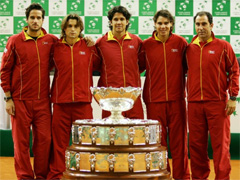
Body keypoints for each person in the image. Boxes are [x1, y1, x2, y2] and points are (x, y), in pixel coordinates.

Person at [0, 3, 57, 180]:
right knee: (21, 144)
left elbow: (70, 49)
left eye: (38, 17)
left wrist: (86, 41)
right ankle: (25, 177)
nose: (35, 20)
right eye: (32, 17)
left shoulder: (51, 41)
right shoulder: (15, 40)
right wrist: (8, 98)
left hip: (42, 101)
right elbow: (5, 70)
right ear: (26, 19)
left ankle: (40, 176)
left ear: (42, 20)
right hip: (19, 100)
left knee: (44, 142)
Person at [186, 11, 239, 180]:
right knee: (196, 145)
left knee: (220, 146)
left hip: (218, 103)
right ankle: (199, 177)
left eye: (204, 24)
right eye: (198, 24)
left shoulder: (223, 46)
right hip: (194, 103)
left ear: (211, 25)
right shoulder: (188, 49)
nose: (201, 28)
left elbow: (234, 71)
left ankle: (222, 178)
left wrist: (232, 97)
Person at [138, 10, 190, 179]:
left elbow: (191, 67)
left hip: (177, 100)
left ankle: (182, 176)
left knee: (179, 143)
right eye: (160, 23)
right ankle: (161, 175)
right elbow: (136, 68)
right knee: (158, 143)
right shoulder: (146, 45)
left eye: (166, 23)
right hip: (154, 100)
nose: (163, 26)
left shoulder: (181, 43)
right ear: (154, 24)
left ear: (171, 24)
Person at [47, 14, 99, 179]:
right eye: (69, 26)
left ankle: (84, 173)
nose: (72, 29)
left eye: (76, 26)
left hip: (83, 103)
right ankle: (57, 174)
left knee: (85, 143)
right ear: (64, 29)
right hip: (61, 103)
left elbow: (103, 65)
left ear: (80, 29)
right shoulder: (55, 48)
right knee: (59, 144)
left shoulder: (90, 47)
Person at [95, 5, 144, 119]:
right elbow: (97, 67)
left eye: (122, 19)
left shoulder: (136, 41)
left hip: (132, 98)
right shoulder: (101, 43)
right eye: (115, 19)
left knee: (135, 135)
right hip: (110, 100)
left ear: (127, 21)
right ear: (110, 22)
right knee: (111, 136)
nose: (119, 22)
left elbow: (141, 65)